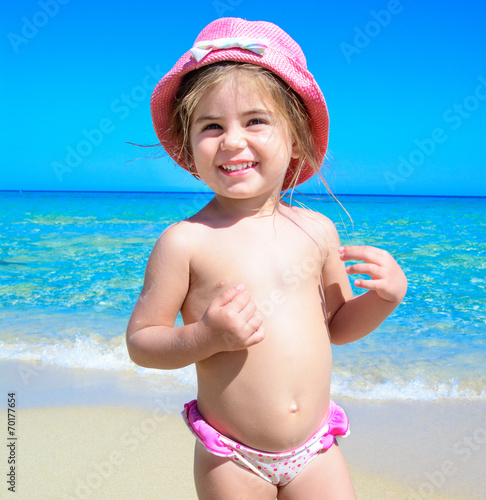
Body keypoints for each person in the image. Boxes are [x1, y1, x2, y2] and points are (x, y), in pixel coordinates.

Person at [126, 17, 407, 499]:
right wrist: (205, 336)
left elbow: (336, 325)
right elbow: (142, 342)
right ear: (191, 149)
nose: (232, 140)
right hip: (232, 456)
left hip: (316, 448)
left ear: (295, 136)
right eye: (211, 126)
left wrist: (383, 300)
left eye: (255, 120)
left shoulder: (317, 231)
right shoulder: (185, 241)